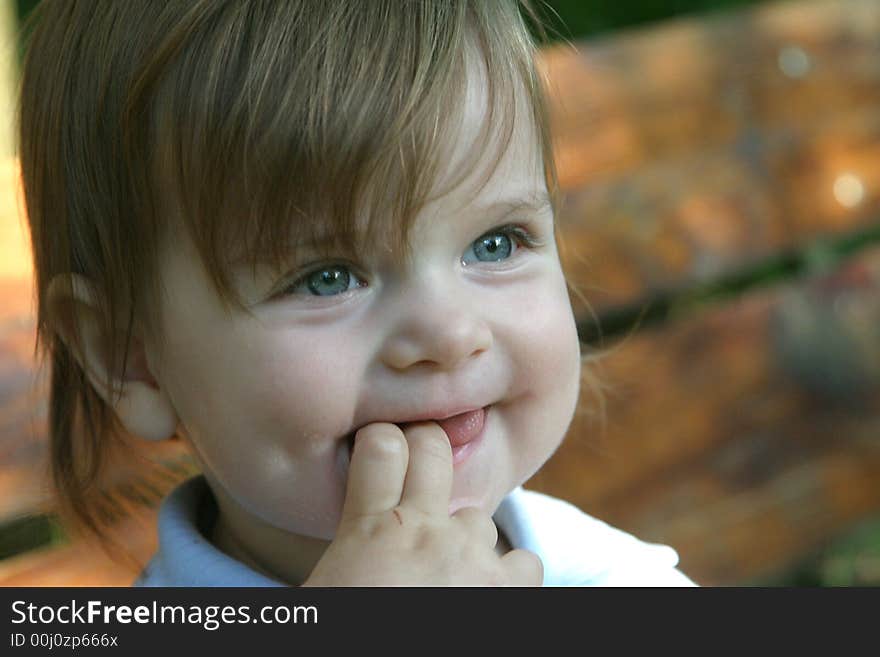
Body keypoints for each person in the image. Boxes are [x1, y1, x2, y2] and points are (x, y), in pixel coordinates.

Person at [17, 0, 695, 586]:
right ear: (130, 354)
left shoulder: (613, 574)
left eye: (496, 242)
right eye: (327, 277)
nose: (450, 334)